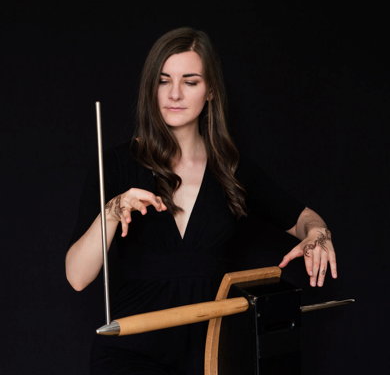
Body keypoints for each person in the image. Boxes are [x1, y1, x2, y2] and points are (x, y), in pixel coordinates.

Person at [65, 27, 337, 375]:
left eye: (190, 81)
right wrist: (113, 211)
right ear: (151, 87)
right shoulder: (116, 164)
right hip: (129, 353)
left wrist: (318, 234)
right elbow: (76, 276)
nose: (174, 93)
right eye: (164, 81)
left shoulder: (232, 169)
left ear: (210, 91)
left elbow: (304, 219)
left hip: (212, 355)